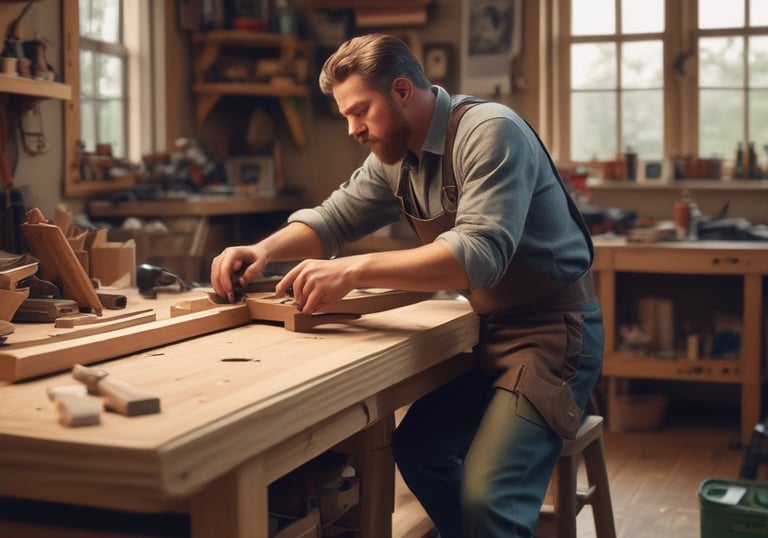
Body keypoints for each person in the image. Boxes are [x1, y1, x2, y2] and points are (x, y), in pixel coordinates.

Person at [210, 33, 603, 538]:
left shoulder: (489, 132)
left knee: (488, 498)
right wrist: (264, 249)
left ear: (401, 91)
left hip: (557, 336)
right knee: (419, 448)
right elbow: (333, 219)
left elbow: (480, 255)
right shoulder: (395, 157)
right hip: (490, 333)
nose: (353, 129)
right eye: (346, 116)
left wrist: (352, 271)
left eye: (360, 112)